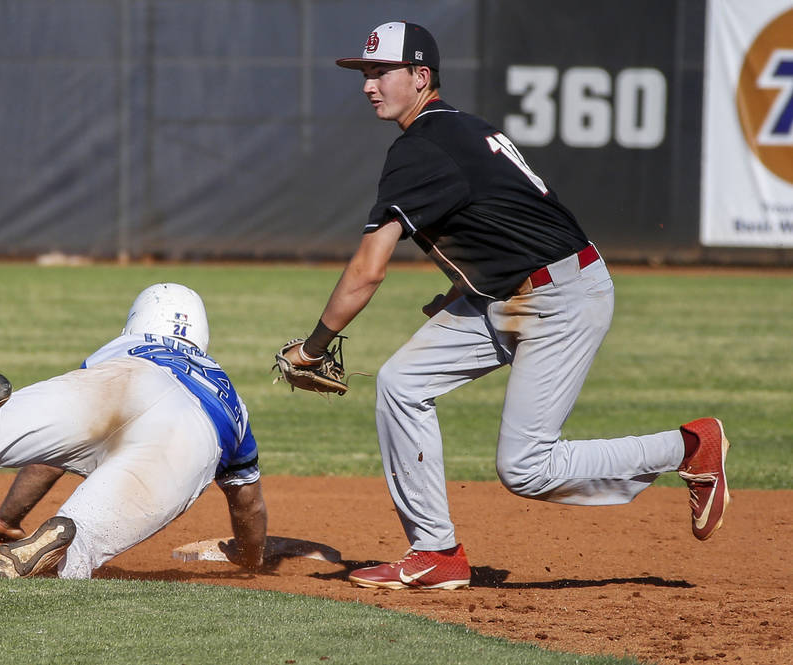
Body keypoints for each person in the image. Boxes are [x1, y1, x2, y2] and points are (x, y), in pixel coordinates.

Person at [280, 21, 731, 590]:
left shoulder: (421, 147)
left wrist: (312, 347)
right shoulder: (459, 129)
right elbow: (503, 217)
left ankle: (688, 447)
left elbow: (368, 270)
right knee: (401, 382)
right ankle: (435, 552)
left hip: (560, 297)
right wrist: (460, 287)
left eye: (382, 71)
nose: (370, 84)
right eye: (365, 73)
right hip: (506, 293)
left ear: (421, 77)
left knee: (526, 468)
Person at [0, 282, 267, 578]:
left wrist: (8, 518)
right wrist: (251, 558)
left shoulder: (124, 344)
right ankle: (61, 546)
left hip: (119, 378)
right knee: (77, 545)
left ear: (136, 318)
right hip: (193, 427)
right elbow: (248, 502)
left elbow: (53, 457)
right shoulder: (233, 400)